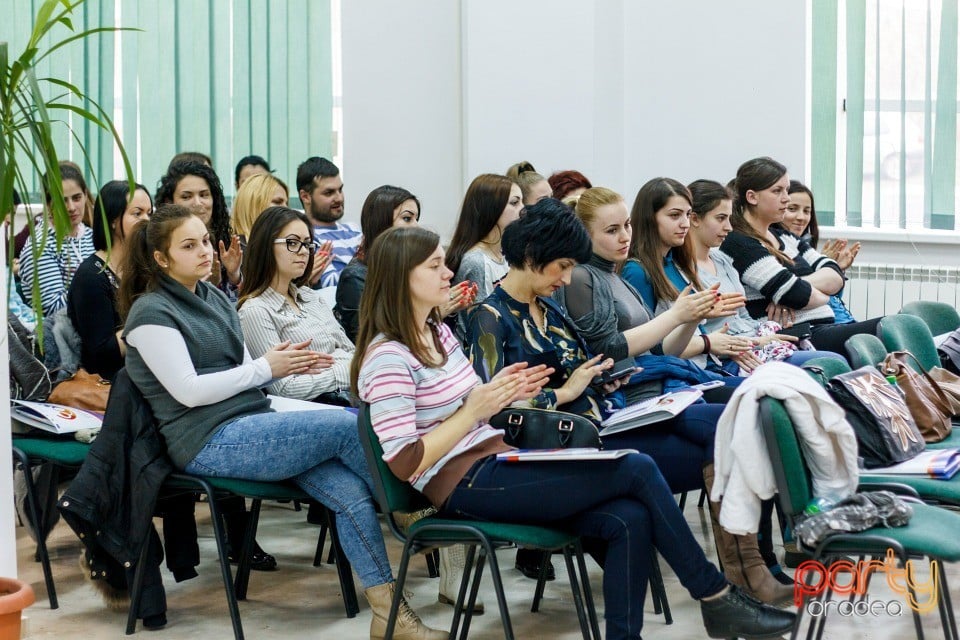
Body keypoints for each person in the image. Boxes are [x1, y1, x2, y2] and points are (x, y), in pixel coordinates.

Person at [353, 225, 796, 640]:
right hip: (462, 482)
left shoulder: (436, 333)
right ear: (400, 278)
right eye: (433, 265)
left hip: (496, 457)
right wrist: (476, 410)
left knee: (630, 516)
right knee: (636, 467)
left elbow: (478, 408)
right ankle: (716, 595)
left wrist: (504, 395)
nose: (448, 271)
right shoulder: (388, 357)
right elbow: (405, 460)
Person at [118, 204, 446, 640]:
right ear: (161, 259)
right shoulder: (150, 313)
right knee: (348, 428)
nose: (205, 252)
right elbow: (190, 391)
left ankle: (390, 614)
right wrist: (268, 368)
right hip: (204, 440)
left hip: (250, 420)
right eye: (189, 245)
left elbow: (242, 375)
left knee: (349, 494)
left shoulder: (212, 296)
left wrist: (268, 374)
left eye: (204, 241)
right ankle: (411, 510)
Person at [719, 157, 880, 356]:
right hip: (797, 336)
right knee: (893, 326)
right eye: (777, 191)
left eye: (786, 190)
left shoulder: (784, 236)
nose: (786, 198)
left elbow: (835, 276)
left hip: (822, 327)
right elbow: (797, 294)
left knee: (897, 329)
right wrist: (795, 291)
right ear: (752, 197)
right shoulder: (739, 242)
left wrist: (790, 288)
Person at [686, 179, 846, 368]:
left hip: (753, 342)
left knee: (835, 361)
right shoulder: (686, 268)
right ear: (695, 219)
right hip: (729, 355)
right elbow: (796, 293)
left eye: (729, 218)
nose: (729, 227)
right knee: (834, 361)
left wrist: (764, 338)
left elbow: (744, 317)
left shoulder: (723, 261)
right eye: (721, 218)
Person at [620, 178, 758, 375]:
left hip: (702, 367)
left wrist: (703, 323)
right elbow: (649, 350)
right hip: (676, 376)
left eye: (687, 214)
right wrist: (707, 341)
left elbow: (688, 334)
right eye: (675, 215)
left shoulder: (676, 263)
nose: (685, 224)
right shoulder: (637, 271)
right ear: (650, 218)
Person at [237, 206, 352, 403]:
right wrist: (345, 371)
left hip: (349, 396)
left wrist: (341, 367)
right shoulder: (255, 311)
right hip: (316, 408)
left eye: (307, 244)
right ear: (265, 246)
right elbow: (284, 389)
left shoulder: (311, 297)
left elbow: (353, 353)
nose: (303, 252)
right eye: (292, 243)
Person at [66, 181, 152, 381]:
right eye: (137, 213)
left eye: (150, 212)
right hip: (113, 383)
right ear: (113, 220)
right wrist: (149, 322)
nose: (146, 220)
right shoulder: (91, 277)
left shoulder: (146, 267)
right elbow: (102, 354)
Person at [335, 185, 422, 343]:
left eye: (416, 219)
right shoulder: (355, 277)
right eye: (407, 218)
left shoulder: (410, 270)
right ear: (382, 224)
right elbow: (368, 341)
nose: (416, 227)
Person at [445, 174, 523, 337]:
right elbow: (480, 328)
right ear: (491, 208)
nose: (523, 209)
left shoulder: (505, 253)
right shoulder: (476, 261)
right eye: (514, 203)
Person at [155, 160, 244, 300]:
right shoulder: (159, 246)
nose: (197, 203)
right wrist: (203, 287)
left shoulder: (229, 244)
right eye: (186, 196)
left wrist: (234, 275)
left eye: (204, 195)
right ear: (169, 202)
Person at [19, 162, 96, 317]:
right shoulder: (40, 247)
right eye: (62, 201)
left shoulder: (91, 236)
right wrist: (98, 287)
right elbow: (54, 309)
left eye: (77, 198)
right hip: (62, 335)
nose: (71, 207)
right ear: (48, 204)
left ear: (86, 196)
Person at [785, 180, 859, 324]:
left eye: (807, 211)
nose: (801, 217)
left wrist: (836, 269)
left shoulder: (806, 251)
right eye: (792, 209)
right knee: (893, 325)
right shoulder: (772, 252)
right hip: (820, 328)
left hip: (842, 323)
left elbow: (833, 300)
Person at [296, 156, 360, 288]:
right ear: (305, 196)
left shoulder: (355, 230)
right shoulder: (305, 237)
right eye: (329, 193)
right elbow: (333, 284)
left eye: (340, 189)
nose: (339, 198)